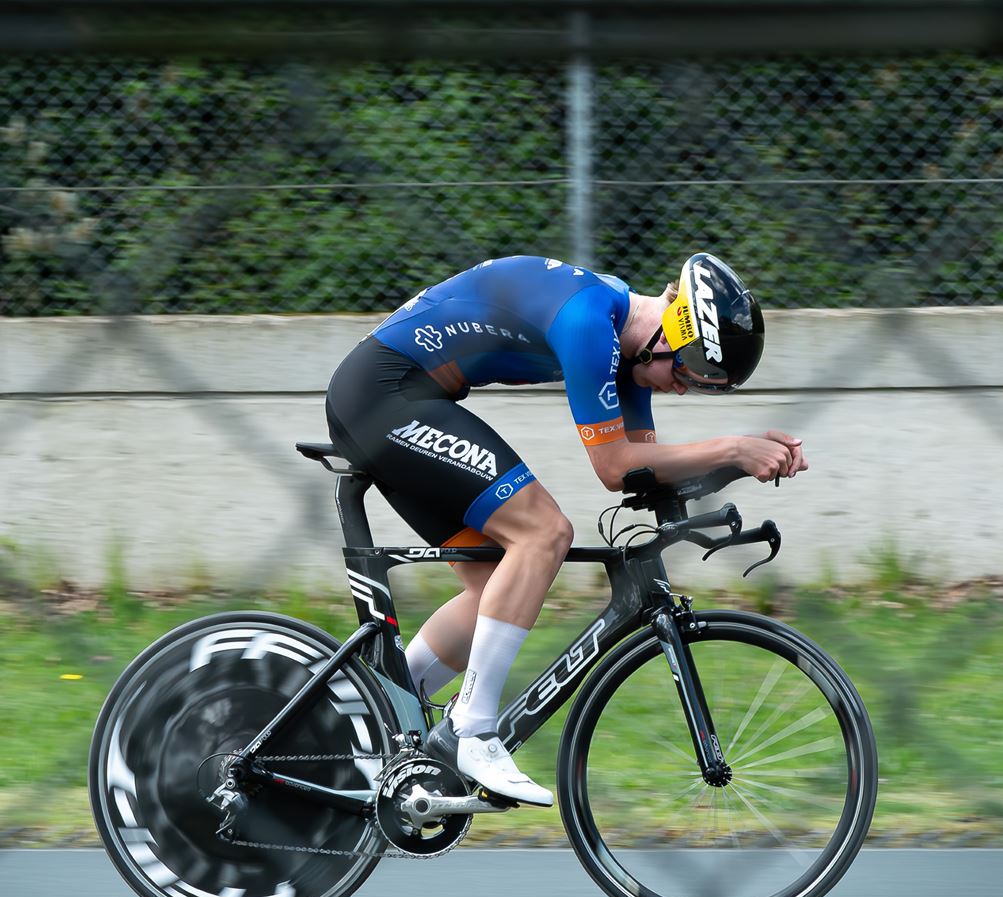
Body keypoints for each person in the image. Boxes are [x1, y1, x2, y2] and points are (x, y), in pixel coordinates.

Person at [323, 253, 807, 807]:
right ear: (669, 338)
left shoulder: (628, 351)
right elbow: (614, 466)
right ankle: (471, 732)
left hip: (401, 399)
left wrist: (741, 463)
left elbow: (645, 470)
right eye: (682, 375)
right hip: (385, 395)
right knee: (544, 533)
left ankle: (369, 717)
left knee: (495, 586)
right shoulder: (588, 321)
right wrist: (733, 447)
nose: (678, 391)